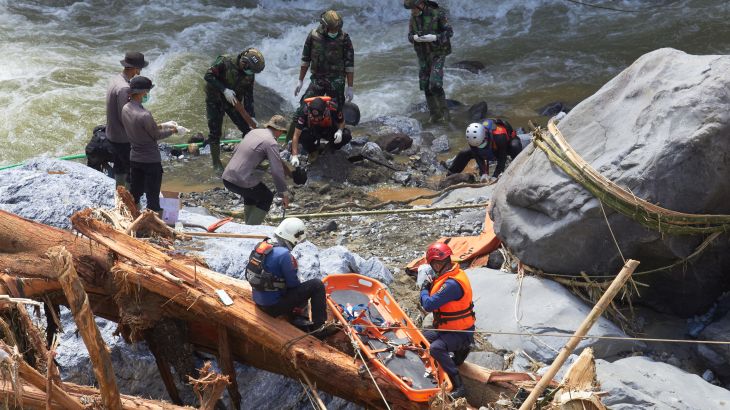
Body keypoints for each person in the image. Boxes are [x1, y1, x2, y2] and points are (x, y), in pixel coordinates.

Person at [247, 218, 334, 339]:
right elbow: (293, 284)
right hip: (273, 307)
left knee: (291, 286)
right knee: (316, 285)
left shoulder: (262, 246)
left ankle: (298, 318)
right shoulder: (284, 255)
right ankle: (319, 328)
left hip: (258, 299)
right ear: (294, 237)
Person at [121, 76, 186, 214]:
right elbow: (156, 135)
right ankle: (155, 227)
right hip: (151, 161)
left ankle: (132, 217)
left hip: (135, 159)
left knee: (135, 193)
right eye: (147, 92)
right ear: (142, 92)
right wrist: (174, 130)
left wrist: (164, 124)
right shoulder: (145, 114)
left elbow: (146, 129)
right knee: (153, 198)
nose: (148, 95)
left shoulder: (126, 108)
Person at [419, 242, 475, 399]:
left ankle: (459, 385)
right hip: (449, 328)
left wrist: (424, 289)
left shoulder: (451, 284)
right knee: (423, 338)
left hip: (461, 333)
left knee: (436, 348)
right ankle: (443, 362)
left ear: (437, 263)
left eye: (432, 264)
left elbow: (428, 304)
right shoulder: (451, 274)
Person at [288, 9, 354, 140]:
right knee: (303, 108)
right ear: (324, 26)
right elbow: (305, 59)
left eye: (337, 29)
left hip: (337, 80)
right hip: (318, 79)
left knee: (336, 110)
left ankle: (335, 140)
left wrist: (350, 87)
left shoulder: (344, 38)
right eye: (332, 29)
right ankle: (291, 141)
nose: (335, 32)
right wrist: (300, 81)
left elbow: (349, 65)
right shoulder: (313, 36)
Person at [221, 115, 290, 225]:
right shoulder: (271, 142)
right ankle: (251, 230)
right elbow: (277, 171)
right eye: (282, 132)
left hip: (227, 177)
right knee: (267, 197)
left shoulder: (253, 132)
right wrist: (284, 194)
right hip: (241, 181)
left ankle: (248, 226)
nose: (281, 135)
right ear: (279, 130)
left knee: (251, 193)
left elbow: (236, 150)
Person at [204, 48, 265, 170]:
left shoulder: (249, 75)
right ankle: (216, 163)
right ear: (244, 62)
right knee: (215, 132)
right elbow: (208, 75)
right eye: (250, 70)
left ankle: (251, 160)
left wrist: (251, 116)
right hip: (215, 99)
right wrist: (224, 90)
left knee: (247, 130)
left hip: (233, 102)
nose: (251, 73)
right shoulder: (225, 61)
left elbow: (249, 96)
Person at [404, 0, 453, 123]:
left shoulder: (438, 13)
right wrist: (414, 38)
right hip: (423, 54)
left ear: (420, 4)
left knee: (435, 84)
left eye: (413, 8)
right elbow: (410, 35)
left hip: (438, 53)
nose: (412, 11)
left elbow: (449, 32)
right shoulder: (414, 17)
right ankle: (434, 114)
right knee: (425, 85)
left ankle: (445, 114)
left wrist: (435, 37)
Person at [106, 51, 148, 187]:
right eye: (139, 69)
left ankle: (119, 196)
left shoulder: (116, 79)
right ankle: (131, 201)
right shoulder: (124, 88)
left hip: (113, 134)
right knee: (131, 172)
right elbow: (125, 116)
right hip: (122, 138)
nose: (140, 72)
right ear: (136, 69)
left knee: (119, 168)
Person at [289, 97, 351, 167]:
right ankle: (313, 150)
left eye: (318, 118)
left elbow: (342, 122)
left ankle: (331, 147)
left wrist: (339, 131)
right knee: (303, 136)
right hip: (313, 130)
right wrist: (294, 156)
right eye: (313, 117)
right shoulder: (304, 111)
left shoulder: (333, 108)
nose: (315, 119)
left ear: (324, 112)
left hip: (329, 130)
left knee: (346, 135)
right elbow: (296, 135)